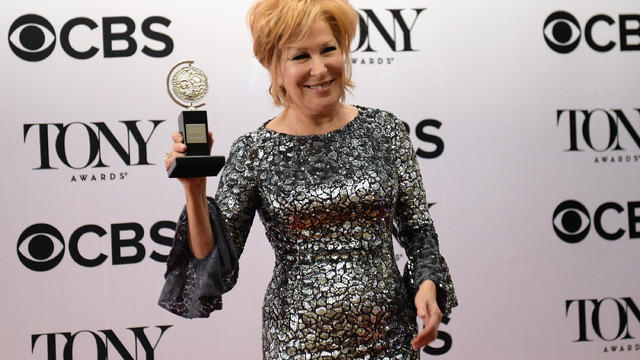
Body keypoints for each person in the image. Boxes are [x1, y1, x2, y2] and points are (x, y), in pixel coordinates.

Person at [159, 0, 457, 358]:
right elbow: (214, 265)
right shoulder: (256, 150)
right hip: (298, 342)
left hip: (392, 338)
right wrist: (194, 189)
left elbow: (419, 231)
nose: (320, 68)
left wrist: (427, 283)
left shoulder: (385, 130)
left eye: (329, 50)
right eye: (300, 56)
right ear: (274, 67)